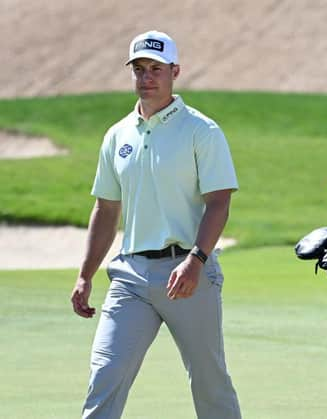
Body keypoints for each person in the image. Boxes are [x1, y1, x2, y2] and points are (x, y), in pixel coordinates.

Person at [70, 30, 242, 419]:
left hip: (189, 273)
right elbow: (106, 209)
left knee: (209, 381)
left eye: (156, 69)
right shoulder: (118, 135)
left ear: (175, 71)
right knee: (106, 373)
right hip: (130, 275)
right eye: (139, 69)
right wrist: (85, 274)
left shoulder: (202, 131)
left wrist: (196, 260)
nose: (147, 77)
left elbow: (219, 203)